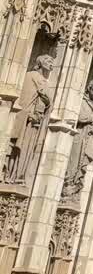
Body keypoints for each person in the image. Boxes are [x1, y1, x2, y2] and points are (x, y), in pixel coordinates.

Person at [3, 54, 54, 184]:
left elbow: (49, 103)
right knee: (18, 147)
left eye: (52, 61)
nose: (51, 63)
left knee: (28, 151)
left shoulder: (45, 82)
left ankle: (20, 176)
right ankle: (10, 175)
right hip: (27, 120)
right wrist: (28, 113)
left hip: (36, 122)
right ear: (40, 62)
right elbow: (25, 99)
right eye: (48, 60)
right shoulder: (30, 76)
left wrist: (45, 104)